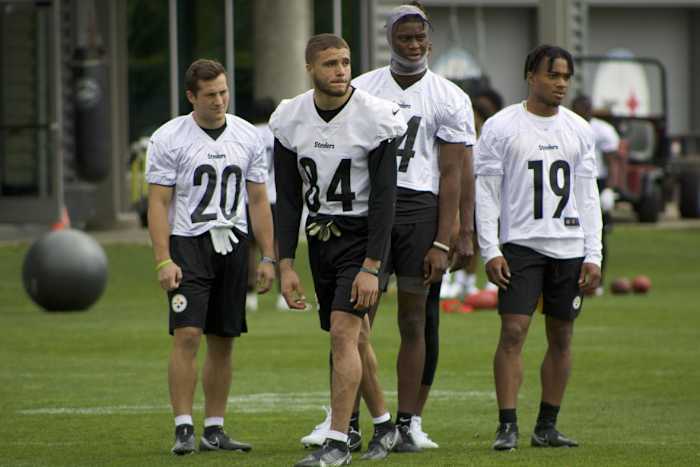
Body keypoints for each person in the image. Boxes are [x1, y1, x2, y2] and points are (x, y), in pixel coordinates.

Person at [343, 2, 474, 452]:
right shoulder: (361, 89)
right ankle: (351, 420)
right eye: (405, 38)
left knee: (415, 318)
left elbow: (454, 173)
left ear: (430, 41)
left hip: (421, 209)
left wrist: (447, 236)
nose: (414, 45)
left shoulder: (451, 96)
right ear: (389, 40)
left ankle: (408, 421)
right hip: (371, 209)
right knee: (356, 319)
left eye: (420, 37)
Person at [271, 34, 407, 466]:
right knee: (355, 337)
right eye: (330, 63)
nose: (341, 70)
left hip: (363, 236)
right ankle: (385, 423)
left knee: (344, 334)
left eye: (346, 62)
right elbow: (289, 197)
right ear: (310, 68)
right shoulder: (290, 118)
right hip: (319, 236)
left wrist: (373, 265)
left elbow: (387, 198)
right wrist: (285, 263)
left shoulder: (376, 116)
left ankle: (338, 441)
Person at [475, 45, 602, 451]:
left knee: (562, 336)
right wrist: (490, 248)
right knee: (513, 331)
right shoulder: (500, 126)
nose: (561, 83)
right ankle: (507, 424)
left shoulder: (580, 129)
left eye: (566, 76)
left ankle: (546, 425)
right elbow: (486, 192)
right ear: (531, 76)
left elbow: (588, 196)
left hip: (568, 247)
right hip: (521, 246)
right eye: (553, 75)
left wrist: (594, 253)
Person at [146, 58, 276, 455]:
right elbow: (158, 202)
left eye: (223, 92)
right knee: (187, 334)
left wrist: (269, 256)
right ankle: (183, 426)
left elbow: (258, 199)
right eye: (210, 95)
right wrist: (164, 259)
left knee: (224, 338)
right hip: (189, 243)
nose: (219, 101)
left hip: (233, 243)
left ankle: (214, 428)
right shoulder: (169, 137)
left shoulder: (248, 135)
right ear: (191, 97)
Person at [442, 87, 504, 299]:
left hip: (479, 195)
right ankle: (446, 279)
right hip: (456, 192)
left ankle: (467, 282)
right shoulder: (460, 136)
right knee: (451, 235)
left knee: (476, 240)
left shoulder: (488, 138)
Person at [572, 94, 620, 295]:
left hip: (597, 181)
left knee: (597, 233)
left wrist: (610, 189)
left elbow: (613, 163)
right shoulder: (565, 126)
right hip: (572, 181)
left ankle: (597, 280)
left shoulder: (602, 130)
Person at [245, 97, 289, 311]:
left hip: (251, 198)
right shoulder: (277, 135)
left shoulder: (248, 134)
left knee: (250, 248)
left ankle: (250, 294)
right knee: (278, 246)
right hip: (274, 196)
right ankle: (282, 294)